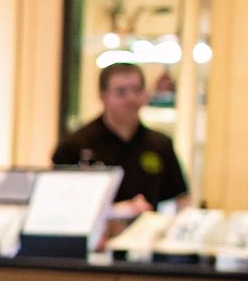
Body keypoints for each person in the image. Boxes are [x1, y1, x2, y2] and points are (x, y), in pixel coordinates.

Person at [51, 62, 189, 214]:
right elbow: (59, 202)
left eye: (137, 90)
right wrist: (115, 212)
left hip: (145, 234)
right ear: (103, 96)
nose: (131, 98)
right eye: (121, 92)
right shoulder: (75, 145)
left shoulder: (160, 145)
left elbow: (179, 198)